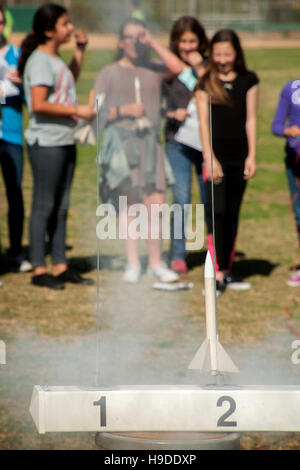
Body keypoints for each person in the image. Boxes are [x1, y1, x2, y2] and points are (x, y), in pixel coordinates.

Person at [93, 17, 184, 283]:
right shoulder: (108, 73)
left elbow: (177, 67)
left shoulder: (154, 69)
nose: (135, 42)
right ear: (121, 42)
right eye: (129, 37)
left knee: (156, 206)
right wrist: (122, 111)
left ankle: (156, 263)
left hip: (150, 144)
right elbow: (95, 113)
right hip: (122, 145)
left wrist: (152, 41)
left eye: (139, 36)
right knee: (130, 207)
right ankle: (132, 264)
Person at [18, 3, 96, 290]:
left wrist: (80, 51)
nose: (70, 27)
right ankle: (40, 269)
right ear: (49, 30)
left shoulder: (55, 58)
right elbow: (38, 105)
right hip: (46, 143)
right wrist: (79, 109)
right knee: (44, 205)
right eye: (64, 24)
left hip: (64, 139)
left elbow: (67, 83)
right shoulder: (39, 60)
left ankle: (61, 265)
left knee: (61, 206)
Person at [195, 29, 259, 294]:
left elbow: (251, 119)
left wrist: (252, 155)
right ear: (212, 55)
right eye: (218, 54)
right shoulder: (205, 82)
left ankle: (228, 270)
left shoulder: (249, 79)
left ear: (236, 54)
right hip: (216, 160)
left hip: (239, 157)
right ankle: (217, 272)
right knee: (217, 213)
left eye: (227, 54)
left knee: (232, 213)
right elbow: (202, 122)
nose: (222, 59)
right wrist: (210, 157)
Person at [163, 16, 209, 277]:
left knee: (209, 200)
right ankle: (178, 256)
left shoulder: (211, 65)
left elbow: (218, 94)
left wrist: (201, 67)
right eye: (183, 42)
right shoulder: (169, 69)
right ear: (175, 43)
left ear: (201, 42)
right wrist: (171, 114)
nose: (188, 46)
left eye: (192, 41)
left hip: (207, 145)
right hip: (177, 141)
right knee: (180, 199)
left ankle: (213, 254)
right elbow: (155, 103)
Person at [0, 5, 31, 272]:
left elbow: (33, 99)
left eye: (0, 22)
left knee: (15, 194)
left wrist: (22, 83)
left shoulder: (16, 55)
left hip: (11, 135)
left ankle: (16, 251)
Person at [272, 79, 300, 286]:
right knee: (299, 213)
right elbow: (276, 126)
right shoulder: (291, 89)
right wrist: (288, 131)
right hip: (296, 161)